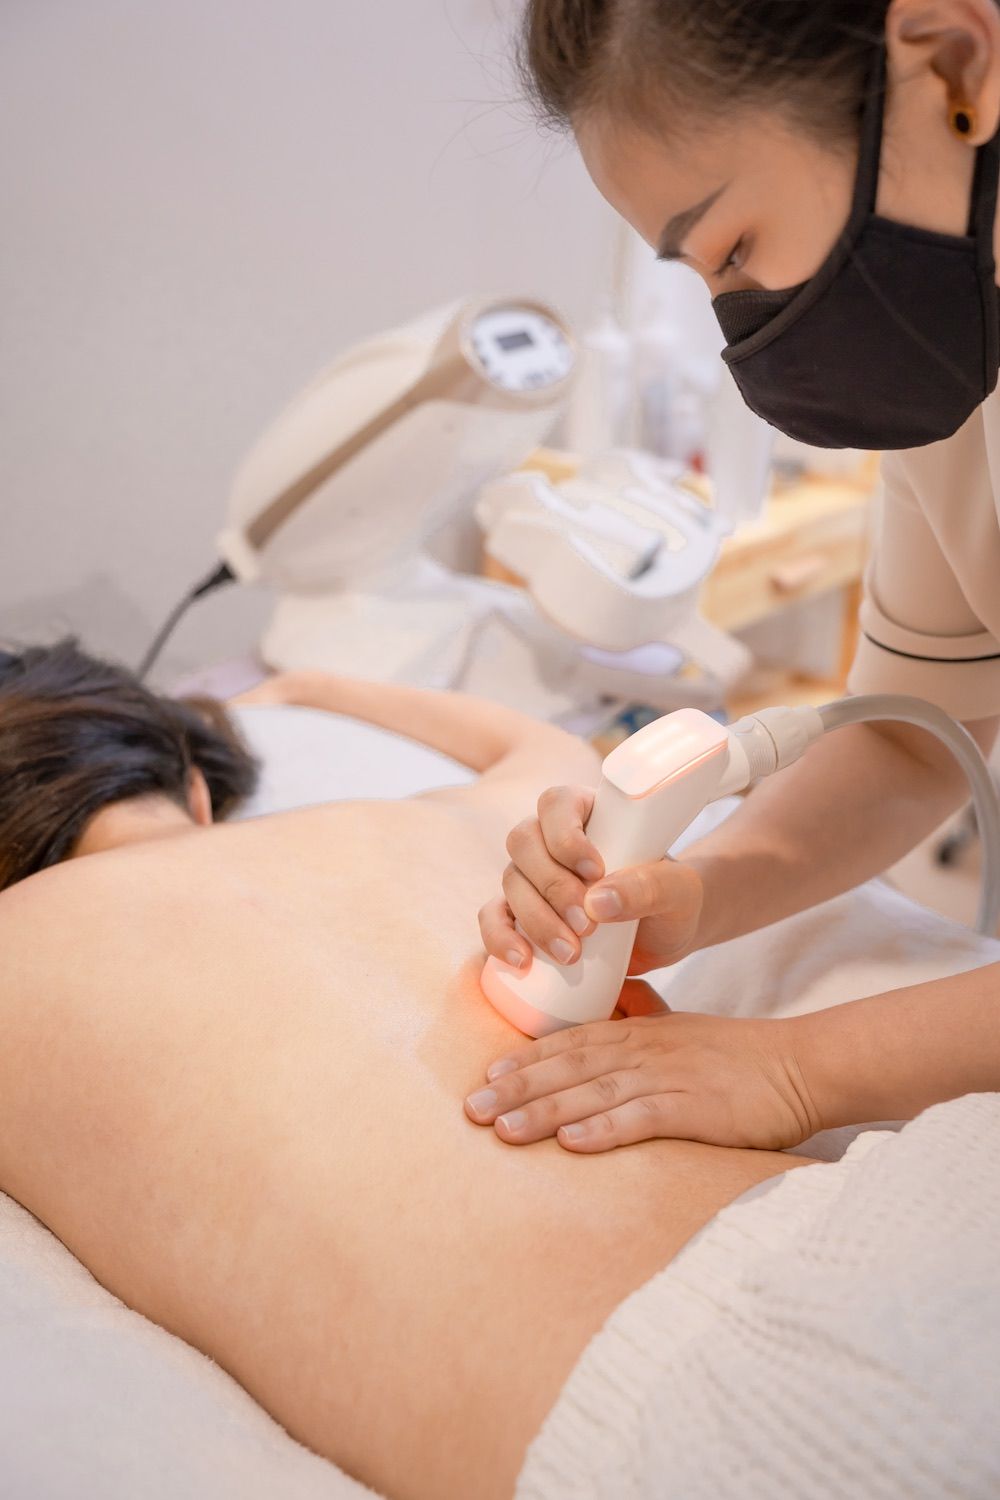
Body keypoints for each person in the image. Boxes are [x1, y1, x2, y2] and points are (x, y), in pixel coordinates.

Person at [0, 639, 808, 1500]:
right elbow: (549, 753)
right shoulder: (443, 823)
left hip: (640, 1438)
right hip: (850, 1236)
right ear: (198, 791)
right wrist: (317, 683)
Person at [475, 0, 1000, 1153]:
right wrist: (690, 898)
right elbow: (922, 734)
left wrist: (799, 1074)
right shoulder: (949, 379)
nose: (743, 326)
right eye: (702, 276)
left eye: (738, 249)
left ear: (957, 62)